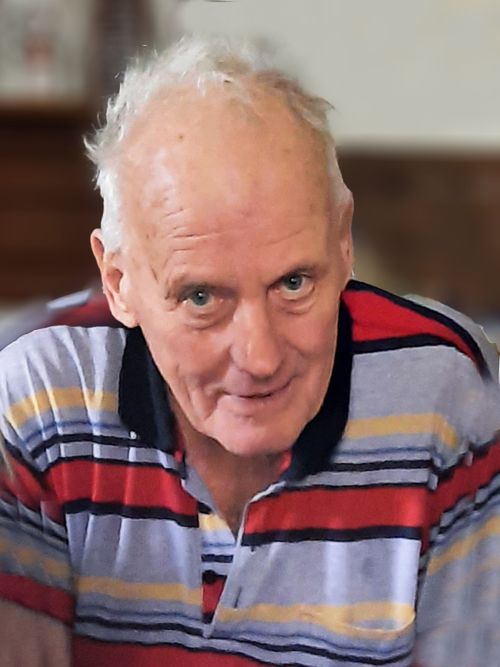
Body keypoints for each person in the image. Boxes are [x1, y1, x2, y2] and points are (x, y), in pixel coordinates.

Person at [0, 36, 499, 667]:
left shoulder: (448, 396)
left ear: (342, 241)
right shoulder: (36, 398)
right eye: (202, 297)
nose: (260, 359)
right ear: (119, 282)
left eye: (294, 283)